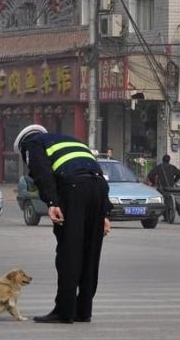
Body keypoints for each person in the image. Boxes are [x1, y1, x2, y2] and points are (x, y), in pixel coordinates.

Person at [14, 125, 113, 324]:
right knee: (90, 253)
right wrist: (104, 212)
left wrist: (52, 202)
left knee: (69, 252)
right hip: (98, 189)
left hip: (74, 190)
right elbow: (96, 173)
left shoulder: (32, 144)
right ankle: (84, 310)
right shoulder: (70, 140)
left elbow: (42, 173)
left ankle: (64, 311)